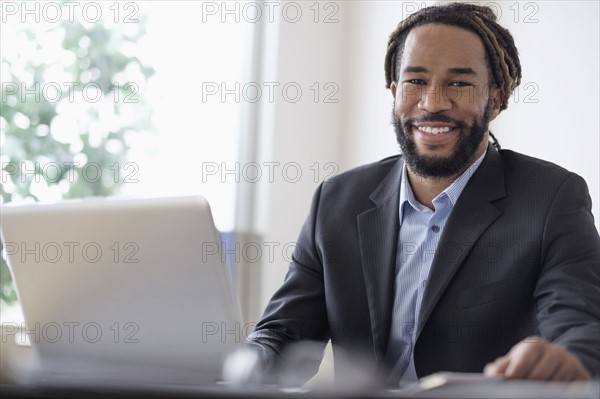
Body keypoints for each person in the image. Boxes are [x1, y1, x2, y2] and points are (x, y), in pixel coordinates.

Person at [246, 2, 600, 387]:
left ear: (495, 99)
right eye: (416, 81)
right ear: (395, 91)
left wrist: (564, 358)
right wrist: (239, 364)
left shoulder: (551, 198)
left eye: (459, 83)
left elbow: (581, 326)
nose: (433, 103)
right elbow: (283, 336)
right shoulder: (336, 201)